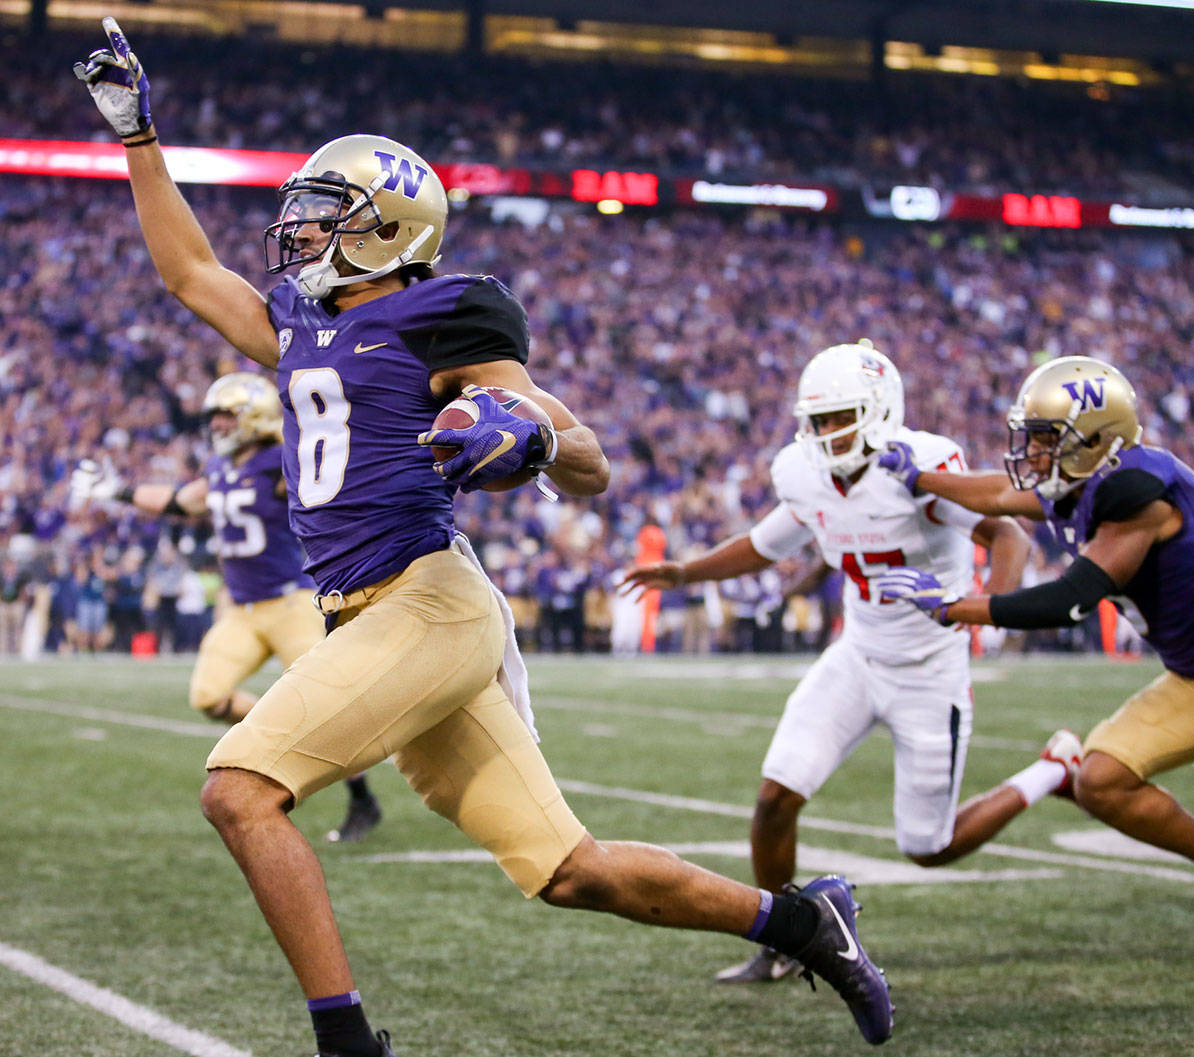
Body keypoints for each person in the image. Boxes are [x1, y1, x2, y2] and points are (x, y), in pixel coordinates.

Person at [74, 20, 894, 1055]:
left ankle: (347, 1043)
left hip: (423, 600)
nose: (296, 227)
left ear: (388, 228)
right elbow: (189, 271)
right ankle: (801, 919)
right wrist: (139, 135)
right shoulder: (296, 323)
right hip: (366, 617)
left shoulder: (448, 314)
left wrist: (530, 431)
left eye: (326, 212)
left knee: (238, 790)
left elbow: (586, 459)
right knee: (570, 870)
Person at [621, 340, 1079, 983]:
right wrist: (684, 572)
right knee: (775, 796)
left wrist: (985, 607)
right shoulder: (804, 473)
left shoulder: (921, 467)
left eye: (842, 417)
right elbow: (767, 543)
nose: (828, 432)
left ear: (881, 411)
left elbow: (1008, 532)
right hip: (859, 655)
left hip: (928, 669)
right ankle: (784, 942)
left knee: (929, 846)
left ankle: (1053, 771)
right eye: (819, 419)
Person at [875, 354, 1194, 973]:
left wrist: (960, 607)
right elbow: (994, 491)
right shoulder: (1086, 481)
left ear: (1098, 439)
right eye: (1033, 439)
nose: (1033, 454)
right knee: (1100, 780)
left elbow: (1069, 601)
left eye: (1046, 439)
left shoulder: (1136, 493)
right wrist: (920, 479)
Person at [70, 374, 384, 843]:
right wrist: (115, 491)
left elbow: (325, 459)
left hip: (290, 601)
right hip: (240, 610)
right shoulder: (219, 470)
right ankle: (285, 743)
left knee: (327, 706)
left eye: (225, 414)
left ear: (252, 416)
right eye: (214, 415)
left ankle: (363, 799)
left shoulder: (279, 463)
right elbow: (179, 500)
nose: (216, 424)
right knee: (208, 696)